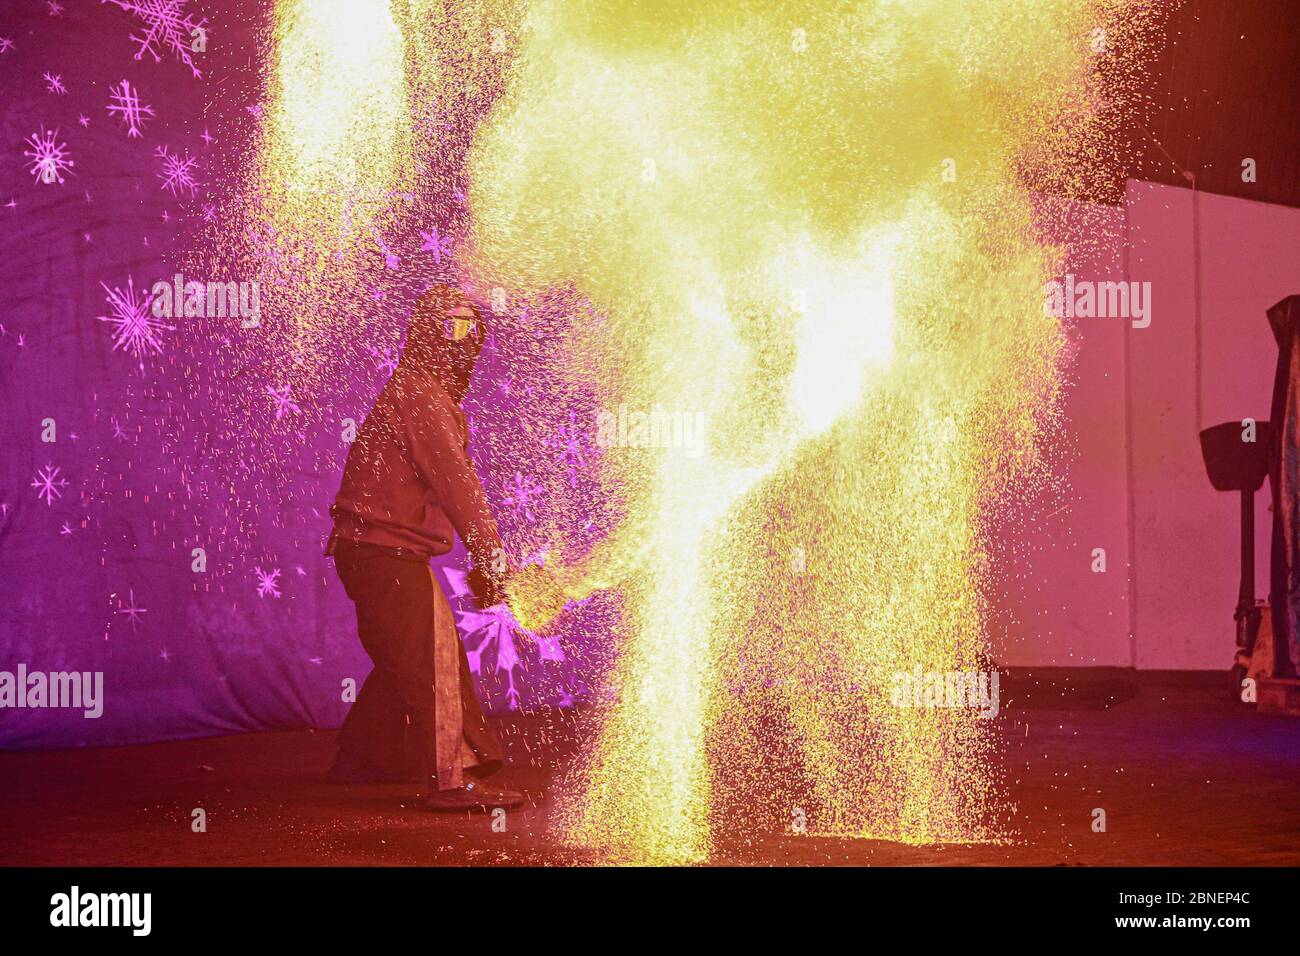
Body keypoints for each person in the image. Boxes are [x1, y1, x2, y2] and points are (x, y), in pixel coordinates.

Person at [325, 283, 523, 811]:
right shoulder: (421, 395)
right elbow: (459, 484)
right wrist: (491, 557)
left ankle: (362, 760)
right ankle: (454, 780)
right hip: (384, 552)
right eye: (451, 327)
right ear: (426, 335)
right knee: (436, 659)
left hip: (372, 551)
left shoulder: (417, 392)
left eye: (471, 328)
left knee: (403, 656)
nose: (464, 340)